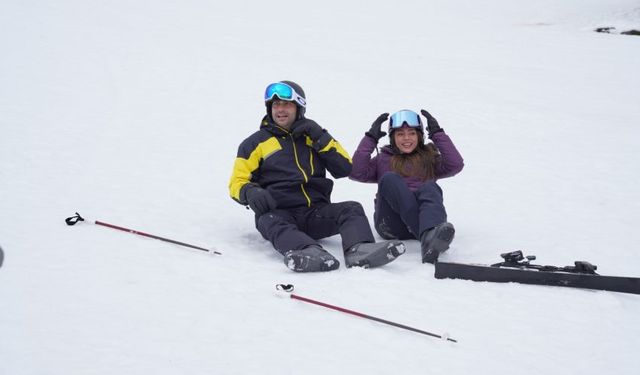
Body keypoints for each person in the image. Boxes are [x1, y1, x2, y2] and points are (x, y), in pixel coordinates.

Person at [228, 81, 405, 272]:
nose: (280, 109)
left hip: (316, 212)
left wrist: (320, 136)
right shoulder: (255, 143)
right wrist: (250, 191)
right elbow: (237, 182)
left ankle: (359, 250)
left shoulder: (313, 137)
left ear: (299, 107)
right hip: (279, 213)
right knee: (267, 220)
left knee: (352, 208)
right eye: (275, 105)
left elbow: (344, 167)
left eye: (286, 104)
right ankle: (307, 251)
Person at [349, 109, 464, 263]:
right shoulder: (383, 159)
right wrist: (371, 138)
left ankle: (429, 238)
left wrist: (437, 134)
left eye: (412, 133)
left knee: (430, 187)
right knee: (390, 179)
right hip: (391, 224)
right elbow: (356, 172)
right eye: (400, 134)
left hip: (426, 222)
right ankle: (429, 238)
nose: (406, 138)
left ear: (420, 136)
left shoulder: (429, 158)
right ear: (392, 137)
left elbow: (455, 164)